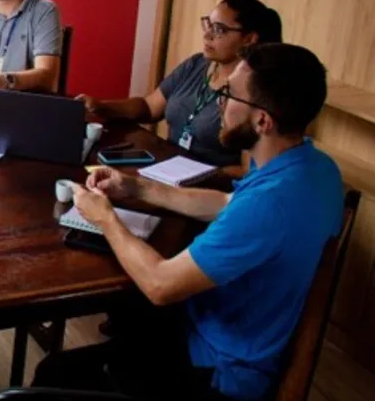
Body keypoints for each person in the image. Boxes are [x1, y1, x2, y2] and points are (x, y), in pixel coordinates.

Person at [32, 43, 343, 400]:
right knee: (129, 314)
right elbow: (228, 203)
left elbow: (160, 285)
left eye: (229, 94)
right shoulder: (316, 169)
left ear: (263, 121)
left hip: (216, 371)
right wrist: (137, 187)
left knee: (54, 372)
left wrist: (106, 218)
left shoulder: (269, 205)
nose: (219, 102)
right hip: (230, 329)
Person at [77, 0, 282, 169]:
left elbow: (247, 170)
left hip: (208, 188)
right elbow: (149, 107)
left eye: (219, 29)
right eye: (208, 24)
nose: (207, 34)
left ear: (249, 39)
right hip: (164, 170)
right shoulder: (196, 64)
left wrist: (198, 176)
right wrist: (100, 106)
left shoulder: (252, 91)